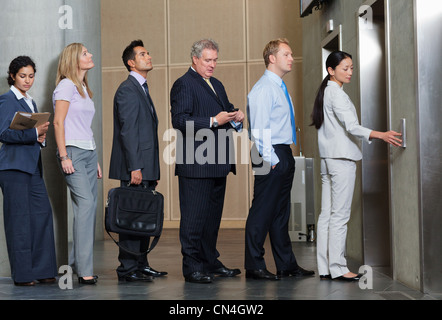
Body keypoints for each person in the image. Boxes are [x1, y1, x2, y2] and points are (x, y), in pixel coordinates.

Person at [311, 51, 402, 281]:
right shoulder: (337, 94)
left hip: (328, 159)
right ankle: (339, 268)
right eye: (345, 68)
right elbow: (352, 127)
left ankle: (325, 267)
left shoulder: (326, 92)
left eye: (351, 68)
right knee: (339, 216)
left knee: (326, 215)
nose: (350, 72)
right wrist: (380, 134)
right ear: (331, 70)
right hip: (341, 160)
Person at [170, 39, 244, 284]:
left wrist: (236, 116)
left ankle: (210, 261)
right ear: (195, 59)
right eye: (208, 60)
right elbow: (180, 122)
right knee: (193, 220)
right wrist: (214, 121)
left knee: (211, 221)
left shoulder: (217, 84)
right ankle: (192, 268)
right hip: (196, 164)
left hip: (218, 163)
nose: (212, 65)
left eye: (215, 60)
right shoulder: (183, 84)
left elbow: (225, 113)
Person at [245, 38, 315, 280]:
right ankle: (254, 265)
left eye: (291, 54)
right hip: (270, 152)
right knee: (262, 211)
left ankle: (286, 265)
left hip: (282, 151)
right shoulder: (264, 88)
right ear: (272, 58)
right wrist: (272, 159)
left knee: (280, 213)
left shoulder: (278, 87)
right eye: (286, 54)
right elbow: (258, 129)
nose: (291, 58)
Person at [0, 56, 57, 286]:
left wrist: (40, 137)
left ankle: (42, 270)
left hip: (31, 167)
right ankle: (23, 275)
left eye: (31, 76)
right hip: (12, 167)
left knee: (42, 216)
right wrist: (33, 133)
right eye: (22, 76)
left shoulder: (30, 102)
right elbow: (3, 133)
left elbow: (33, 135)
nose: (27, 80)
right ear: (12, 76)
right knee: (19, 221)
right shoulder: (6, 100)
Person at [109, 39, 167, 282]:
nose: (149, 56)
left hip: (146, 165)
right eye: (143, 54)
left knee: (142, 217)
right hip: (136, 166)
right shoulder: (127, 90)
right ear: (131, 63)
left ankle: (141, 265)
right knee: (132, 218)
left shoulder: (141, 88)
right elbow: (128, 131)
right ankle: (127, 269)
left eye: (148, 52)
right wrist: (135, 167)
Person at [53, 43, 102, 285]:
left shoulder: (83, 87)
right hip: (71, 152)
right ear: (74, 60)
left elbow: (85, 126)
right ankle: (84, 270)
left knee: (89, 210)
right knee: (86, 204)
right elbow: (58, 123)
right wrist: (64, 156)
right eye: (85, 53)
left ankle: (81, 265)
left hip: (88, 153)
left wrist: (96, 158)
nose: (90, 54)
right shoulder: (66, 85)